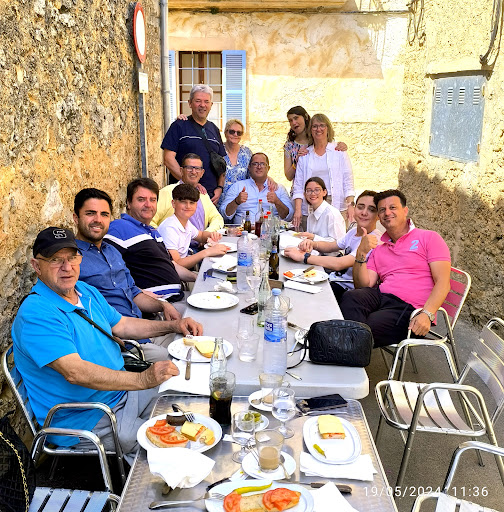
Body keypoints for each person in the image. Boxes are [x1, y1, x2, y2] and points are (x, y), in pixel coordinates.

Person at [11, 227, 202, 464]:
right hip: (88, 415)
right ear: (36, 266)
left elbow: (122, 325)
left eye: (72, 257)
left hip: (122, 390)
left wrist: (173, 326)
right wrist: (143, 379)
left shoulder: (85, 291)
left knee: (187, 399)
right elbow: (75, 372)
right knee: (177, 441)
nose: (67, 267)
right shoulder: (36, 313)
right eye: (55, 260)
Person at [73, 188, 182, 362]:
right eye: (90, 213)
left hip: (143, 329)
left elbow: (134, 292)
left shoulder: (112, 251)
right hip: (122, 344)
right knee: (179, 362)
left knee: (193, 336)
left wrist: (163, 305)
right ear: (75, 218)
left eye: (104, 214)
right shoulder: (72, 260)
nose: (98, 220)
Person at [339, 189, 451, 347]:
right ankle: (349, 347)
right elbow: (363, 285)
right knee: (351, 297)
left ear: (405, 211)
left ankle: (344, 347)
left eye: (392, 207)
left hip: (410, 309)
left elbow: (443, 282)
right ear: (379, 217)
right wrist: (361, 253)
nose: (387, 213)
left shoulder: (429, 238)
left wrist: (427, 314)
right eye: (382, 210)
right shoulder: (380, 248)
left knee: (364, 328)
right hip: (381, 298)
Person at [105, 178, 196, 302]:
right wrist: (138, 293)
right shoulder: (119, 227)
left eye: (152, 200)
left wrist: (196, 277)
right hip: (157, 304)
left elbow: (172, 265)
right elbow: (108, 270)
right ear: (128, 203)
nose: (148, 204)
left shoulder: (153, 232)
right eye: (141, 199)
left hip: (177, 296)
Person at [284, 190, 381, 302]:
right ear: (354, 209)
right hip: (333, 279)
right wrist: (313, 244)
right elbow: (331, 246)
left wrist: (304, 257)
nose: (364, 212)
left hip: (346, 290)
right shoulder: (353, 231)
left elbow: (339, 263)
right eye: (360, 207)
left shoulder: (373, 239)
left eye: (371, 210)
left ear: (378, 215)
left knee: (300, 296)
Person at [161, 84, 226, 204]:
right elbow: (168, 159)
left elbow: (221, 163)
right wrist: (190, 184)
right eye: (198, 101)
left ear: (211, 105)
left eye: (206, 101)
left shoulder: (214, 129)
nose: (202, 105)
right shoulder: (179, 126)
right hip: (183, 196)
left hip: (209, 197)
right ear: (190, 103)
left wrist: (220, 188)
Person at [292, 113, 355, 230]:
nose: (318, 129)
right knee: (311, 238)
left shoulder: (339, 151)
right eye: (314, 126)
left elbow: (348, 180)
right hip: (311, 204)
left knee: (337, 238)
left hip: (335, 201)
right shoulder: (305, 155)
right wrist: (298, 210)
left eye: (322, 125)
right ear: (310, 130)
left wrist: (351, 205)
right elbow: (298, 185)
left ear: (328, 129)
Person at [157, 184, 230, 268]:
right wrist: (207, 252)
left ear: (196, 205)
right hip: (172, 272)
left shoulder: (185, 223)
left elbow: (201, 236)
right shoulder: (169, 228)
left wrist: (212, 235)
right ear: (173, 203)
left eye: (192, 203)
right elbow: (176, 263)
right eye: (183, 202)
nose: (188, 206)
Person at [151, 153, 224, 232]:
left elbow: (217, 218)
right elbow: (150, 221)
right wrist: (163, 237)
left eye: (197, 168)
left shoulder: (202, 194)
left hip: (201, 239)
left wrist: (207, 233)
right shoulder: (167, 192)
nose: (193, 172)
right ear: (181, 170)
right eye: (189, 168)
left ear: (202, 173)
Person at [220, 152, 294, 225]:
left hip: (269, 231)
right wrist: (236, 201)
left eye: (262, 164)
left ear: (268, 168)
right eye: (255, 164)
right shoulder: (238, 186)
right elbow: (224, 214)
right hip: (243, 231)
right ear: (249, 167)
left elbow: (289, 217)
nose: (259, 167)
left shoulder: (279, 189)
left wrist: (277, 202)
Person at [284, 106, 347, 187]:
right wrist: (297, 161)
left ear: (305, 117)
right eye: (290, 120)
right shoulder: (289, 146)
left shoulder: (317, 138)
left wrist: (342, 146)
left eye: (296, 118)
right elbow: (288, 176)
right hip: (300, 189)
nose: (294, 123)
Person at [294, 177, 346, 242]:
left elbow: (339, 243)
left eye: (317, 190)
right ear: (304, 194)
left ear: (324, 192)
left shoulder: (332, 214)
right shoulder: (311, 215)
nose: (313, 193)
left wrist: (313, 237)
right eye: (309, 190)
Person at [222, 119, 253, 203]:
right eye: (232, 132)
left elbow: (253, 173)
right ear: (225, 133)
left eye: (239, 133)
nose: (235, 135)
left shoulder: (247, 152)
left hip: (242, 200)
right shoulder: (218, 150)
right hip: (221, 200)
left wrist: (268, 179)